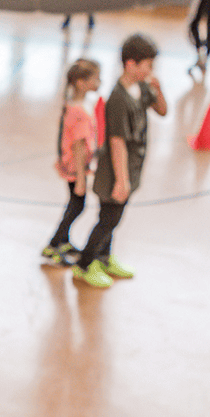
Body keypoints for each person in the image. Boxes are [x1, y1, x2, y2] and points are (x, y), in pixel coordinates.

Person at [73, 33, 168, 289]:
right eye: (148, 65)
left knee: (115, 216)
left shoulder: (142, 88)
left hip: (131, 166)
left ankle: (103, 258)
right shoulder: (118, 99)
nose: (151, 70)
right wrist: (122, 180)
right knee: (109, 218)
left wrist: (158, 89)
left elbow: (162, 110)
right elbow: (117, 142)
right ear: (131, 64)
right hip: (116, 170)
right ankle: (84, 264)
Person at [42, 58, 100, 265]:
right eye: (95, 79)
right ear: (81, 82)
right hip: (76, 168)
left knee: (74, 204)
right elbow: (77, 146)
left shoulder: (77, 105)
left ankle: (63, 240)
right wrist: (82, 179)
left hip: (76, 166)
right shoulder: (79, 112)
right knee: (77, 206)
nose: (99, 82)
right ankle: (54, 244)